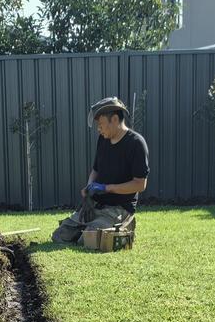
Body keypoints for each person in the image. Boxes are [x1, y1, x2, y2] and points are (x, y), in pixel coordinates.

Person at [52, 97, 149, 244]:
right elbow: (95, 170)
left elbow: (140, 185)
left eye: (101, 124)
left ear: (115, 119)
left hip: (119, 208)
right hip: (96, 205)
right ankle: (91, 228)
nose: (98, 128)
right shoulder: (103, 140)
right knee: (60, 235)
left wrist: (107, 188)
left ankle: (125, 226)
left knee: (88, 240)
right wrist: (90, 186)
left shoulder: (136, 143)